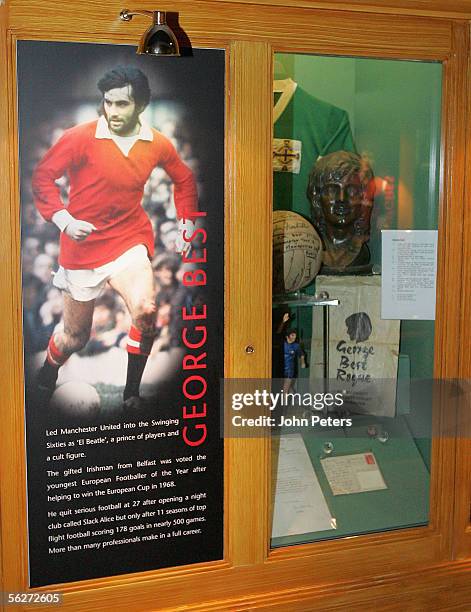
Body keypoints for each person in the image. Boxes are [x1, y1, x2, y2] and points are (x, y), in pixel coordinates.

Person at [32, 65, 198, 410]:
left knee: (146, 308)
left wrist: (186, 221)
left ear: (140, 105)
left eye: (123, 104)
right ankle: (49, 372)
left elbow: (184, 180)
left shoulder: (156, 142)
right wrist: (63, 219)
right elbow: (43, 177)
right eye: (109, 102)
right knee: (74, 338)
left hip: (128, 239)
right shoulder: (80, 136)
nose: (113, 111)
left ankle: (131, 394)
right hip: (82, 245)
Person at [307, 150, 375, 273]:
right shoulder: (311, 248)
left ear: (363, 199)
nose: (342, 199)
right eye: (332, 190)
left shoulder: (360, 252)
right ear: (318, 199)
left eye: (352, 190)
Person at [283, 328, 306, 394]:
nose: (294, 337)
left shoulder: (296, 346)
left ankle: (284, 403)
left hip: (289, 371)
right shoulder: (283, 344)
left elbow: (301, 355)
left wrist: (303, 362)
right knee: (287, 388)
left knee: (285, 390)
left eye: (295, 336)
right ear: (287, 336)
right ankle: (292, 392)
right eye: (292, 335)